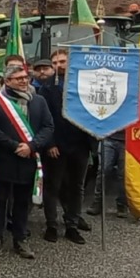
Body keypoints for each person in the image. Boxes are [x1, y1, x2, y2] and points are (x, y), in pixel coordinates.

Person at [0, 63, 53, 259]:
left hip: (28, 158)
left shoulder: (38, 101)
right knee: (0, 199)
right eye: (19, 78)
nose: (24, 81)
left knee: (23, 201)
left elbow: (48, 127)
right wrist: (14, 145)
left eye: (25, 78)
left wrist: (31, 146)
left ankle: (20, 238)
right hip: (4, 157)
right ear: (7, 81)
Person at [36, 50, 90, 244]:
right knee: (53, 186)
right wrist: (49, 143)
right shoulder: (47, 88)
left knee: (77, 186)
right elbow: (44, 118)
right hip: (56, 146)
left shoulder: (84, 82)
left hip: (81, 144)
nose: (59, 65)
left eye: (62, 61)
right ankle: (51, 224)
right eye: (55, 62)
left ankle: (72, 225)